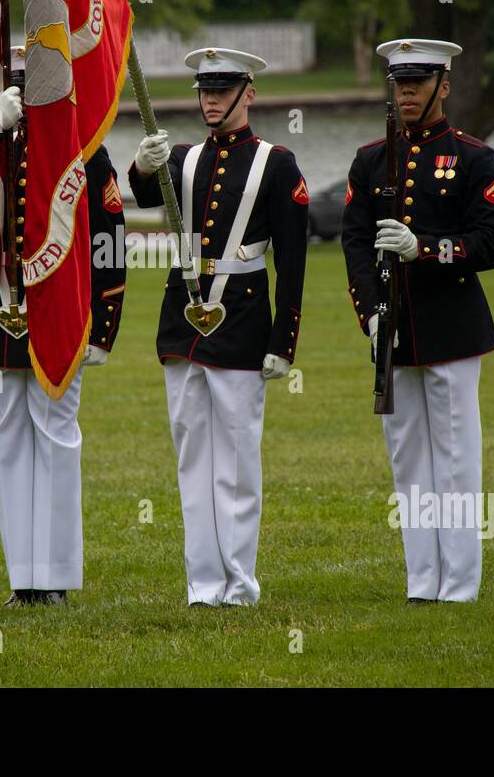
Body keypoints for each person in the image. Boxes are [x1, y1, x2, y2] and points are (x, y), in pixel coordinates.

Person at [0, 45, 127, 606]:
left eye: (32, 77)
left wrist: (102, 328)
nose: (26, 87)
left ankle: (57, 577)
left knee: (56, 438)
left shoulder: (83, 147)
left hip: (59, 311)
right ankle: (24, 578)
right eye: (17, 79)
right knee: (8, 443)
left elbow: (108, 240)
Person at [128, 47, 308, 607]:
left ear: (247, 94)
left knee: (234, 459)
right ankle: (203, 585)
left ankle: (239, 585)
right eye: (204, 90)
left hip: (244, 322)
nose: (210, 100)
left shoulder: (276, 163)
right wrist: (140, 164)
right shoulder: (180, 156)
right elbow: (137, 197)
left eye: (221, 89)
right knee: (192, 459)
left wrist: (285, 340)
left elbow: (294, 260)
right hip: (183, 323)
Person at [341, 38, 494, 604]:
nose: (407, 92)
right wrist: (368, 316)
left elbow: (491, 244)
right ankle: (422, 579)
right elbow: (356, 243)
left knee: (456, 461)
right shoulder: (370, 159)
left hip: (453, 331)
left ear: (444, 85)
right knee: (409, 459)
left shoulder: (472, 157)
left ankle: (458, 584)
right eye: (399, 83)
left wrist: (428, 249)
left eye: (418, 82)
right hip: (395, 332)